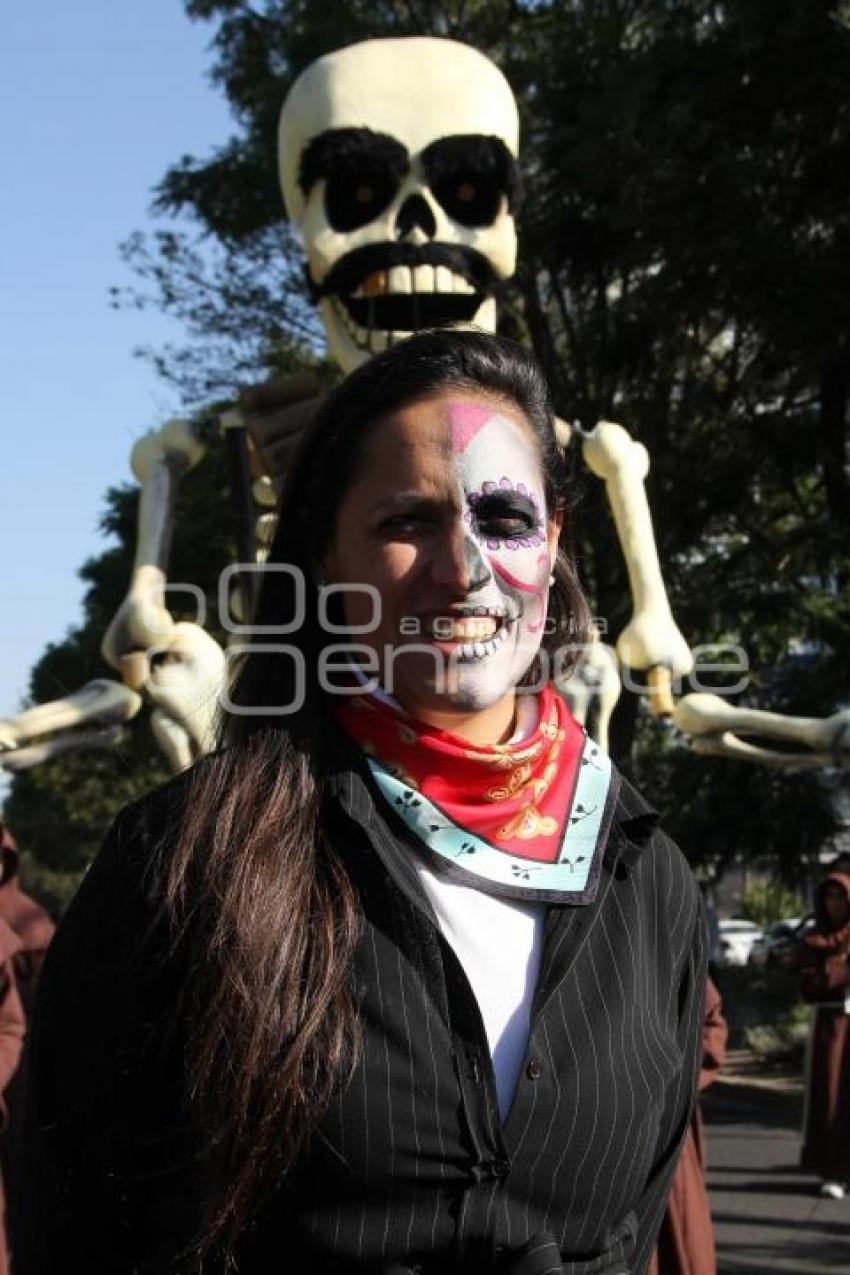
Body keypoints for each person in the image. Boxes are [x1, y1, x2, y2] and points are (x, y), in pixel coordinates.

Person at [22, 329, 708, 1273]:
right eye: (408, 521)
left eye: (505, 518)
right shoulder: (183, 859)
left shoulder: (649, 879)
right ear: (327, 558)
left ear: (554, 545)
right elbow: (80, 1222)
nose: (463, 568)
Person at [648, 979, 727, 1275]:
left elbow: (710, 1023)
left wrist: (674, 1080)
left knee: (675, 1244)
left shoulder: (660, 934)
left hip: (659, 1126)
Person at [795, 870, 850, 1199]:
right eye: (829, 897)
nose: (834, 904)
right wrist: (838, 969)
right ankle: (833, 1169)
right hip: (832, 1028)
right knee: (831, 1096)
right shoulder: (813, 940)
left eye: (840, 897)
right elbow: (811, 984)